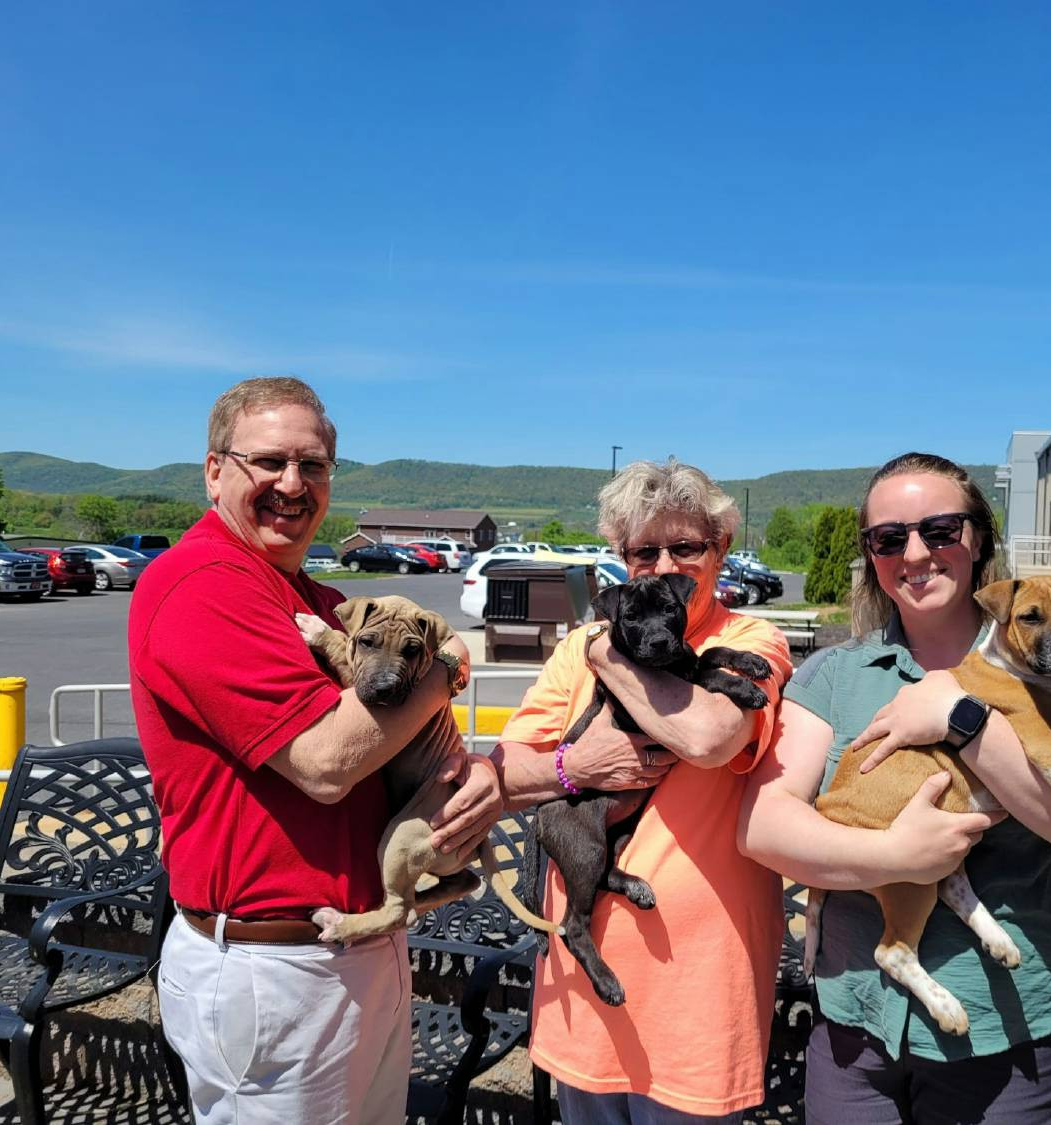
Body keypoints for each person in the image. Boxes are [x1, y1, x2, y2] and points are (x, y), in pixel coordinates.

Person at [129, 376, 503, 1124]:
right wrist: (446, 670)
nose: (292, 485)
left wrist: (477, 749)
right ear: (214, 471)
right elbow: (325, 762)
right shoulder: (201, 584)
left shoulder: (317, 601)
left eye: (314, 466)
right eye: (267, 462)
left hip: (355, 951)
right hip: (273, 972)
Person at [738, 452, 1051, 1124]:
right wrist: (902, 858)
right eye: (889, 538)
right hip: (854, 1025)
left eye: (940, 530)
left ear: (978, 537)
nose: (915, 553)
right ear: (872, 555)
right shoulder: (836, 673)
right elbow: (763, 826)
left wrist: (961, 719)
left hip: (1007, 1033)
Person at [489, 458, 793, 1122]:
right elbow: (503, 772)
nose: (661, 564)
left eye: (684, 546)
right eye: (642, 550)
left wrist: (609, 660)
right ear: (620, 555)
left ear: (721, 550)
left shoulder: (749, 639)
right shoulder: (577, 651)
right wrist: (576, 768)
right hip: (585, 995)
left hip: (699, 1001)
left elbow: (710, 736)